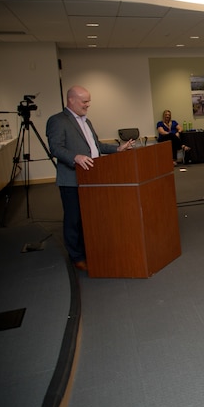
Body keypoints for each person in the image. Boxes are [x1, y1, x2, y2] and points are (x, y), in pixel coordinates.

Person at [46, 85, 135, 271]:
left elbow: (96, 147)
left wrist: (118, 149)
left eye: (89, 101)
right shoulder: (57, 121)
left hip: (93, 178)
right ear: (71, 100)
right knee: (74, 219)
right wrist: (75, 157)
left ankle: (91, 251)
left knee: (92, 218)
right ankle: (76, 257)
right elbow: (55, 148)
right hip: (71, 180)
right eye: (84, 101)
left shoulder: (87, 121)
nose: (88, 105)